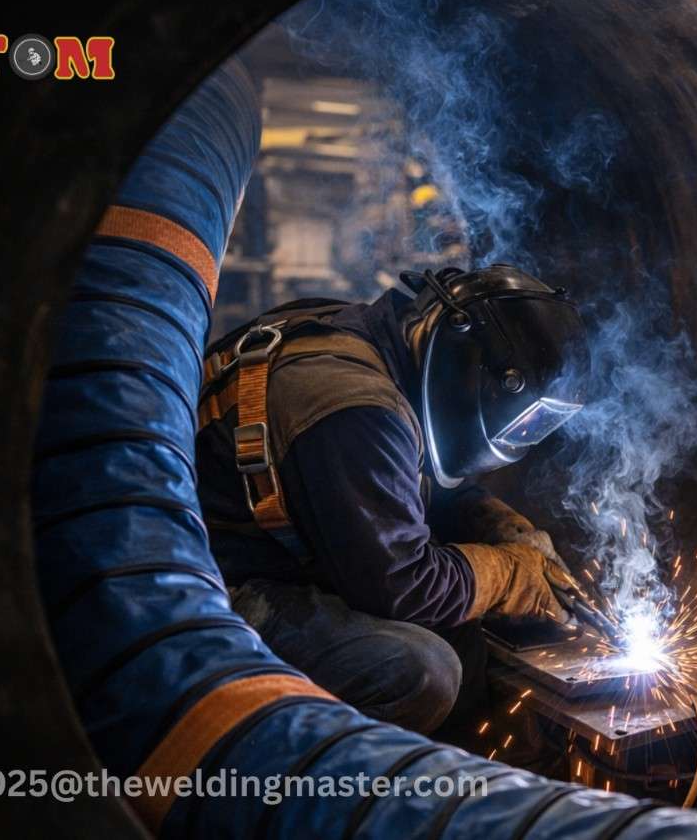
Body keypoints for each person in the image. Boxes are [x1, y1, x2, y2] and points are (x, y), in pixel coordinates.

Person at [195, 263, 585, 733]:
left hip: (269, 554)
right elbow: (404, 586)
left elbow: (392, 483)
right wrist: (507, 577)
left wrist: (492, 523)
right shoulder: (355, 405)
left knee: (461, 621)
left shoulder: (374, 343)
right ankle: (307, 796)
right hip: (210, 589)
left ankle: (465, 775)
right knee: (419, 670)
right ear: (467, 371)